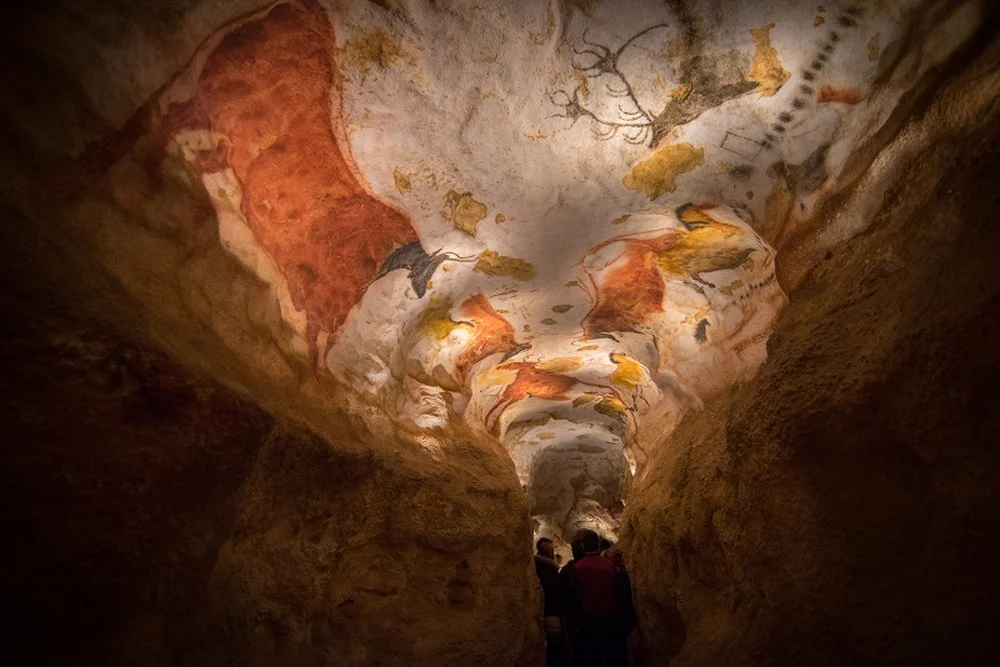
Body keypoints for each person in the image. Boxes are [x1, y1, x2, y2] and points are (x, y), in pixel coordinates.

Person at [563, 530, 625, 667]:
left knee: (590, 658)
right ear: (597, 545)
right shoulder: (610, 566)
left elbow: (574, 596)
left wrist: (575, 622)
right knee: (612, 658)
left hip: (588, 619)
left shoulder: (578, 568)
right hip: (610, 617)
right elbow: (619, 592)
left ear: (583, 547)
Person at [534, 537, 563, 667]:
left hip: (540, 612)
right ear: (546, 548)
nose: (553, 551)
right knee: (554, 649)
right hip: (551, 612)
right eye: (552, 548)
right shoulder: (548, 568)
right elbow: (553, 592)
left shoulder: (536, 565)